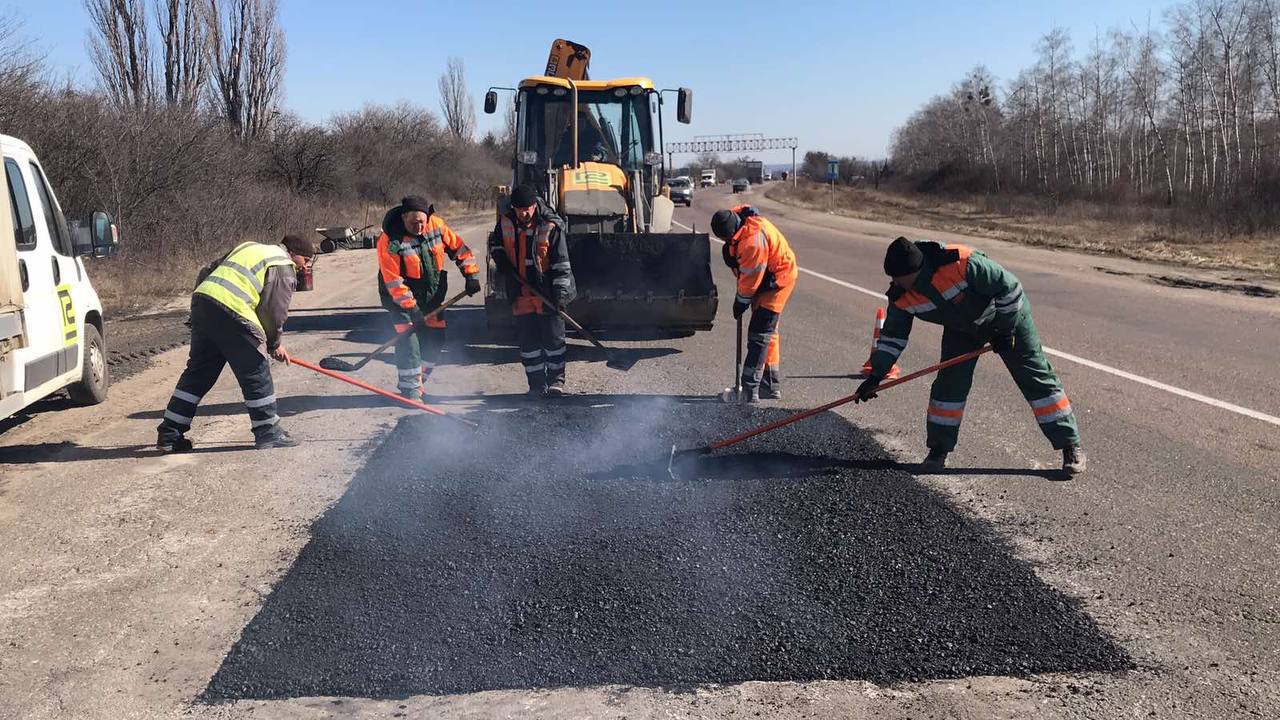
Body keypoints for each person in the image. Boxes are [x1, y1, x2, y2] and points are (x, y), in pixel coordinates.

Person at [855, 237, 1086, 476]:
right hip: (962, 330)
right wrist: (876, 376)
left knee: (1035, 377)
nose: (894, 282)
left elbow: (1011, 289)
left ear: (913, 271)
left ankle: (1070, 446)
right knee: (949, 386)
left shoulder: (961, 263)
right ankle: (938, 451)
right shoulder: (902, 296)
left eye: (897, 277)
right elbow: (893, 337)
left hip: (1008, 319)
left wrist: (1004, 330)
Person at [157, 235, 315, 452]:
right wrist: (274, 343)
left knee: (198, 375)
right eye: (306, 260)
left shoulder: (249, 247)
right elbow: (274, 312)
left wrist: (201, 311)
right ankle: (268, 431)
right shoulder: (282, 264)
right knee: (256, 373)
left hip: (203, 302)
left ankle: (170, 434)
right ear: (295, 253)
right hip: (232, 310)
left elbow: (207, 271)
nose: (305, 266)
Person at [377, 195, 481, 401]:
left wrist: (471, 274)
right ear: (404, 217)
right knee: (410, 343)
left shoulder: (437, 226)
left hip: (432, 297)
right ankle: (411, 391)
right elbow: (394, 281)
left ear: (428, 217)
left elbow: (459, 249)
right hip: (401, 301)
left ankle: (418, 380)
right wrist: (411, 309)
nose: (418, 227)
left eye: (421, 222)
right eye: (413, 223)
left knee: (435, 339)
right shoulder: (390, 240)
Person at [490, 184, 576, 397]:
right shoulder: (506, 222)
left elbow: (561, 265)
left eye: (527, 208)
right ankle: (536, 385)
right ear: (514, 208)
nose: (524, 213)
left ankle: (556, 382)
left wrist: (560, 295)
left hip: (546, 293)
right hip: (521, 292)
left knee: (554, 341)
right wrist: (499, 255)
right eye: (520, 209)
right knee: (529, 344)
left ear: (535, 205)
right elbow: (495, 242)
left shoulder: (550, 226)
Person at [711, 205, 798, 401]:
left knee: (759, 335)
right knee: (769, 335)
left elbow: (750, 280)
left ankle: (750, 391)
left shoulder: (752, 243)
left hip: (778, 281)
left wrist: (740, 302)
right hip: (766, 280)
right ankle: (770, 385)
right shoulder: (739, 218)